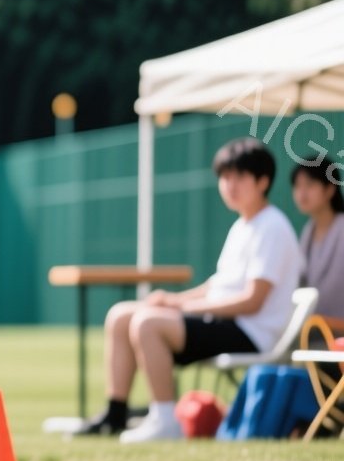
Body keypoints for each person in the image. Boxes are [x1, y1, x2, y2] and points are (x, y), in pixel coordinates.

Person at [78, 137, 302, 442]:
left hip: (250, 333)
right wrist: (173, 299)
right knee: (121, 315)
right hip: (226, 324)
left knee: (147, 322)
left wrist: (180, 308)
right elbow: (218, 284)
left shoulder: (272, 226)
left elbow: (252, 301)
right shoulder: (243, 226)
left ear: (263, 181)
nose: (229, 185)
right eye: (224, 177)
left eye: (239, 177)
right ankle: (115, 413)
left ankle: (165, 420)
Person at [292, 151, 344, 323]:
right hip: (314, 330)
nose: (302, 193)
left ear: (329, 189)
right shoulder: (308, 231)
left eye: (310, 184)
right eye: (297, 186)